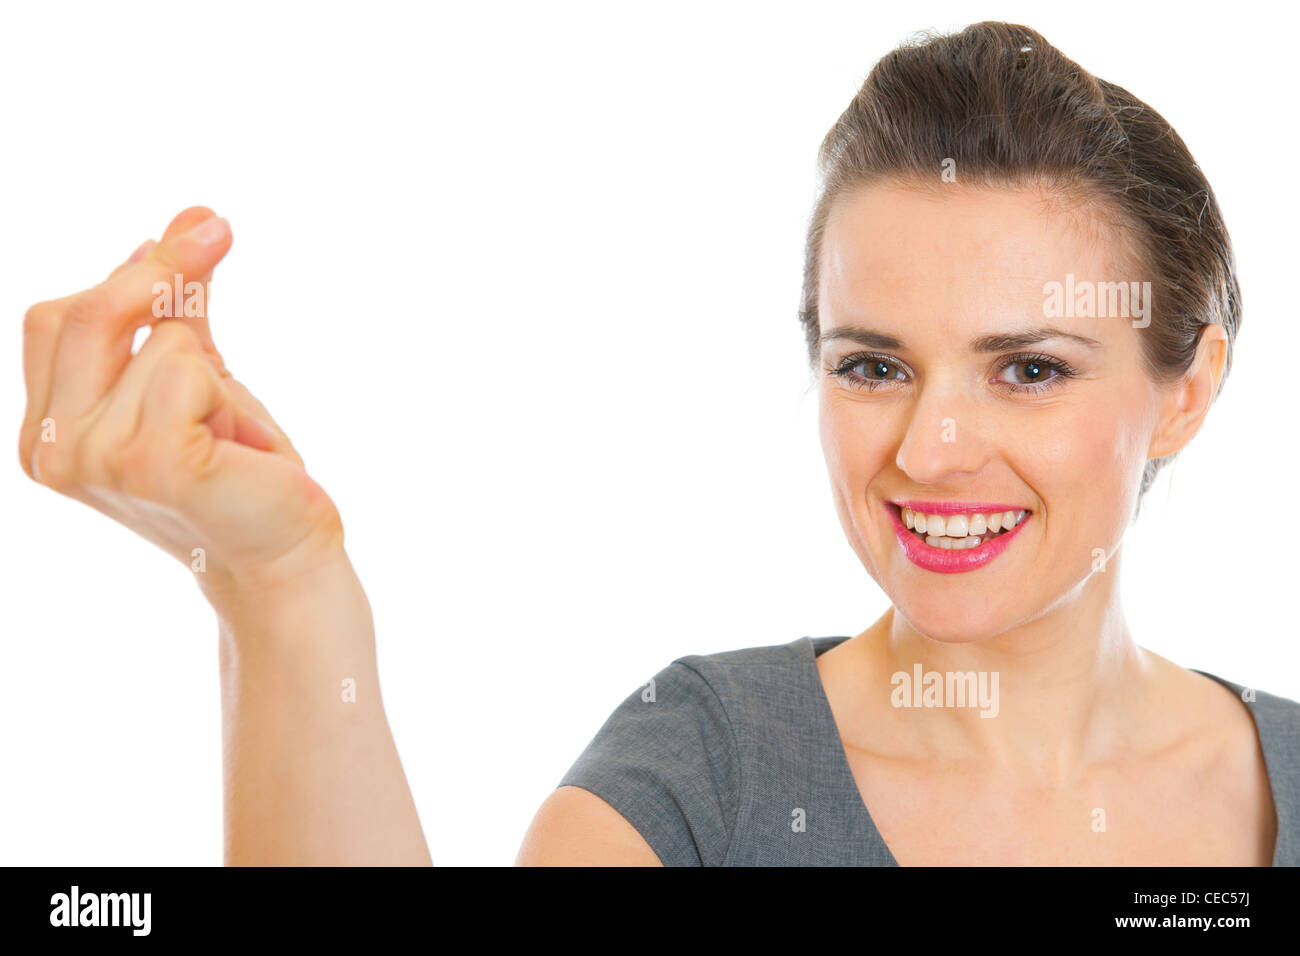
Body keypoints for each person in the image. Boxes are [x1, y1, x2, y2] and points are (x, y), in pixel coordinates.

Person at [19, 21, 1298, 866]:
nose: (934, 448)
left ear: (1185, 389)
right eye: (873, 365)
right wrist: (277, 591)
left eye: (1027, 369)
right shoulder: (707, 764)